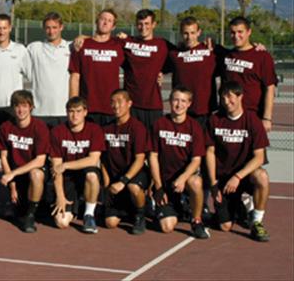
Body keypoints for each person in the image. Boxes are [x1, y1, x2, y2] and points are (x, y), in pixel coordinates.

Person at [205, 81, 270, 242]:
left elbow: (259, 157)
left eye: (230, 97)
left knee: (262, 176)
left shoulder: (253, 121)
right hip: (224, 179)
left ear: (240, 96)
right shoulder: (215, 119)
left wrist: (238, 176)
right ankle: (240, 209)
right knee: (225, 226)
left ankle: (257, 222)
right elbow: (210, 152)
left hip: (244, 176)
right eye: (223, 98)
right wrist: (213, 184)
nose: (227, 102)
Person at [149, 87, 209, 239]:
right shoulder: (159, 124)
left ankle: (196, 220)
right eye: (176, 100)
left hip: (184, 181)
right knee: (167, 227)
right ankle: (172, 208)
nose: (179, 104)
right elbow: (153, 157)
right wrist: (158, 186)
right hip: (165, 183)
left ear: (189, 104)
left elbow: (197, 160)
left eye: (183, 101)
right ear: (170, 101)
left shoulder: (194, 127)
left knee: (196, 182)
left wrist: (182, 178)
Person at [50, 97, 105, 233]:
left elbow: (93, 160)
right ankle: (75, 207)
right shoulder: (57, 132)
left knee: (92, 175)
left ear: (85, 112)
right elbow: (56, 168)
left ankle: (89, 214)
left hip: (85, 175)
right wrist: (60, 197)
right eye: (71, 111)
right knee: (61, 222)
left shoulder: (94, 129)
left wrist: (66, 165)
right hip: (67, 179)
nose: (74, 115)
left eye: (78, 111)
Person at [0, 90, 50, 233]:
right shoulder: (5, 127)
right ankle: (20, 207)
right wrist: (12, 185)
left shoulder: (39, 127)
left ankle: (31, 215)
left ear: (31, 107)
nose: (21, 110)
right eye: (17, 106)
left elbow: (40, 161)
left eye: (24, 106)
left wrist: (12, 174)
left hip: (32, 174)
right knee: (13, 211)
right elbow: (3, 156)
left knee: (36, 174)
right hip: (15, 176)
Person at [101, 89, 150, 235]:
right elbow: (103, 158)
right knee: (110, 223)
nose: (116, 106)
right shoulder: (106, 128)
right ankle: (127, 210)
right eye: (113, 102)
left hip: (133, 175)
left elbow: (140, 159)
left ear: (129, 104)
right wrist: (106, 181)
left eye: (120, 102)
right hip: (115, 178)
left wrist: (124, 181)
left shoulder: (137, 128)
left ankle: (140, 215)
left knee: (134, 187)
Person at [217, 16, 278, 133]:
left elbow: (270, 87)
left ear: (249, 32)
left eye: (240, 32)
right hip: (227, 115)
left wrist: (267, 118)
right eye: (232, 32)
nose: (236, 36)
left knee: (255, 151)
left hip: (252, 116)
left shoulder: (262, 56)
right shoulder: (225, 55)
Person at [69, 9, 124, 126]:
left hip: (111, 108)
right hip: (87, 108)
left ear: (113, 27)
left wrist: (158, 73)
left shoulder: (119, 45)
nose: (105, 23)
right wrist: (74, 104)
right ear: (97, 21)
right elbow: (75, 76)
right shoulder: (82, 44)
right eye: (103, 19)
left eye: (109, 21)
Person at [0, 13, 31, 134]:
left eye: (4, 28)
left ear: (10, 28)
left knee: (10, 149)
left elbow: (31, 74)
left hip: (12, 108)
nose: (1, 32)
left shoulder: (20, 50)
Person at [119, 9, 170, 131]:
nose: (143, 27)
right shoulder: (127, 42)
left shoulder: (163, 45)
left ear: (154, 24)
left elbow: (180, 55)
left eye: (147, 24)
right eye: (140, 24)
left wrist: (163, 71)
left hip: (153, 105)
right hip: (130, 104)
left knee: (153, 146)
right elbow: (101, 40)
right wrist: (83, 36)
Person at [166, 17, 217, 129]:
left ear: (199, 32)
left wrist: (257, 46)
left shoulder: (211, 51)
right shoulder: (174, 54)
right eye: (185, 33)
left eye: (192, 33)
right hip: (181, 110)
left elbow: (237, 52)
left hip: (203, 112)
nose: (189, 37)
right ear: (181, 33)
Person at [27, 12, 72, 127]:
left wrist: (82, 37)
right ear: (43, 28)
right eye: (48, 28)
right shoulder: (34, 48)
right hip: (39, 112)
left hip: (64, 112)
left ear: (61, 27)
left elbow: (92, 41)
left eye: (54, 27)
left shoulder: (71, 47)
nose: (51, 31)